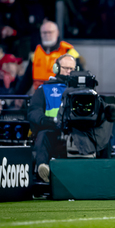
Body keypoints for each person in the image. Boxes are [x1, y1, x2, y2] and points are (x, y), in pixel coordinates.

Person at [28, 54, 77, 182]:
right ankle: (43, 168)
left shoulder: (83, 90)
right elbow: (33, 111)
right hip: (53, 130)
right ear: (56, 68)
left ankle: (105, 167)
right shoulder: (45, 89)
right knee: (43, 135)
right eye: (65, 68)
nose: (68, 71)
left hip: (78, 132)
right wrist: (46, 121)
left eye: (71, 69)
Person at [16, 21, 83, 95]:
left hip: (60, 95)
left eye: (50, 32)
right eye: (44, 32)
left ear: (57, 33)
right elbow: (27, 78)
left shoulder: (68, 50)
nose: (47, 35)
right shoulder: (37, 51)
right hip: (40, 96)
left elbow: (80, 75)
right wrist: (18, 95)